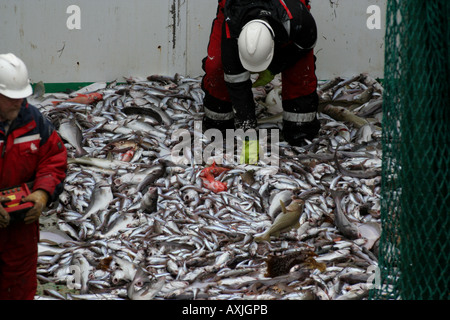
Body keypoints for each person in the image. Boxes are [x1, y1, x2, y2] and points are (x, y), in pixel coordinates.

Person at [201, 0, 320, 162]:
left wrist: (274, 68)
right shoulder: (232, 27)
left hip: (287, 9)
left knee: (301, 73)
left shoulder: (298, 19)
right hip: (235, 8)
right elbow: (236, 82)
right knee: (217, 68)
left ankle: (300, 127)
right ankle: (218, 120)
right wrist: (247, 129)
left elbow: (304, 45)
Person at [0, 53, 67, 300]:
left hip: (21, 229)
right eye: (11, 99)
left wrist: (42, 192)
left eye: (22, 97)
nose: (19, 104)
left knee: (18, 288)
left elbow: (54, 159)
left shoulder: (35, 121)